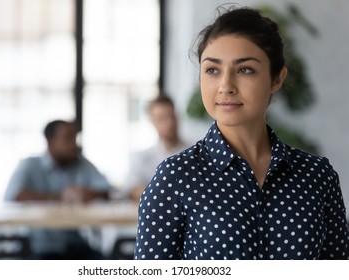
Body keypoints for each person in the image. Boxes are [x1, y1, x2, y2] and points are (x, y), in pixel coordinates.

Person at [134, 6, 349, 260]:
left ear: (276, 79)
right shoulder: (175, 178)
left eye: (245, 69)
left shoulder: (317, 177)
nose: (226, 86)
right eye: (212, 70)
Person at [5, 120, 113, 259]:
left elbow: (107, 191)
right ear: (50, 142)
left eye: (75, 138)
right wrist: (59, 197)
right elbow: (13, 195)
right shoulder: (30, 165)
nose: (75, 144)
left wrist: (91, 193)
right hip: (38, 247)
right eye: (68, 138)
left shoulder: (82, 163)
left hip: (75, 245)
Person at [124, 95, 190, 201]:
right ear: (152, 122)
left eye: (171, 116)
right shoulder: (142, 157)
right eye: (161, 119)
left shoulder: (195, 153)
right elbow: (131, 188)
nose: (169, 123)